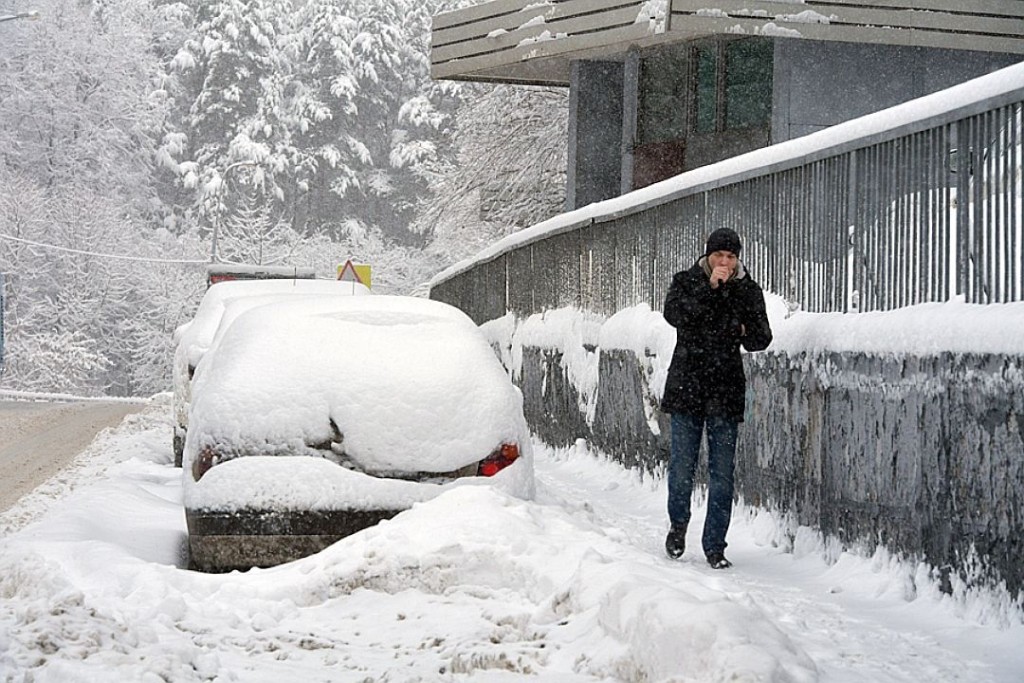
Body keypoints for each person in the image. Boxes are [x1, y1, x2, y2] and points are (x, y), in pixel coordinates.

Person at [660, 227, 772, 568]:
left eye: (731, 256)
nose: (725, 262)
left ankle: (715, 545)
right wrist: (710, 291)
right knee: (682, 467)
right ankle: (678, 525)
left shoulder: (747, 291)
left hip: (724, 389)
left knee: (722, 473)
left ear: (738, 258)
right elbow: (676, 316)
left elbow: (761, 337)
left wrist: (739, 328)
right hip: (687, 388)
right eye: (719, 255)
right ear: (707, 255)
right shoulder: (686, 282)